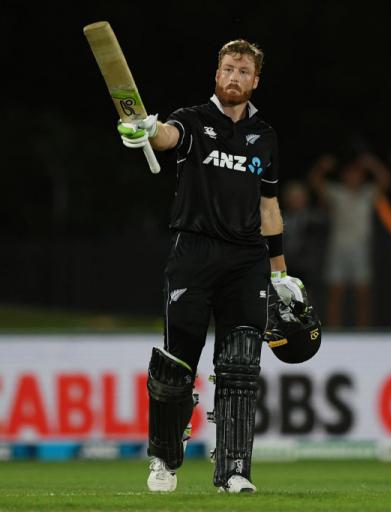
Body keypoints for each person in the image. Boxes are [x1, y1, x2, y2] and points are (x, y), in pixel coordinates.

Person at [117, 39, 303, 494]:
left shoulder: (266, 135)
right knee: (175, 367)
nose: (234, 76)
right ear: (216, 74)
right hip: (194, 255)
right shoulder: (194, 120)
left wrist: (280, 273)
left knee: (241, 366)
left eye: (243, 70)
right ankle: (164, 459)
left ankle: (234, 470)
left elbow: (269, 208)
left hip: (246, 260)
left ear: (256, 80)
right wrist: (145, 129)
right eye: (228, 68)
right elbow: (167, 136)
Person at [309, 152, 391, 327]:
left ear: (361, 176)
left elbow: (387, 180)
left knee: (363, 294)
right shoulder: (337, 192)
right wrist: (322, 167)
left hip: (361, 249)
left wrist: (372, 164)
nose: (353, 176)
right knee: (335, 293)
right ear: (344, 175)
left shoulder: (368, 193)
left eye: (356, 173)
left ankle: (363, 332)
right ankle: (334, 331)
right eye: (349, 173)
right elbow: (315, 182)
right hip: (338, 248)